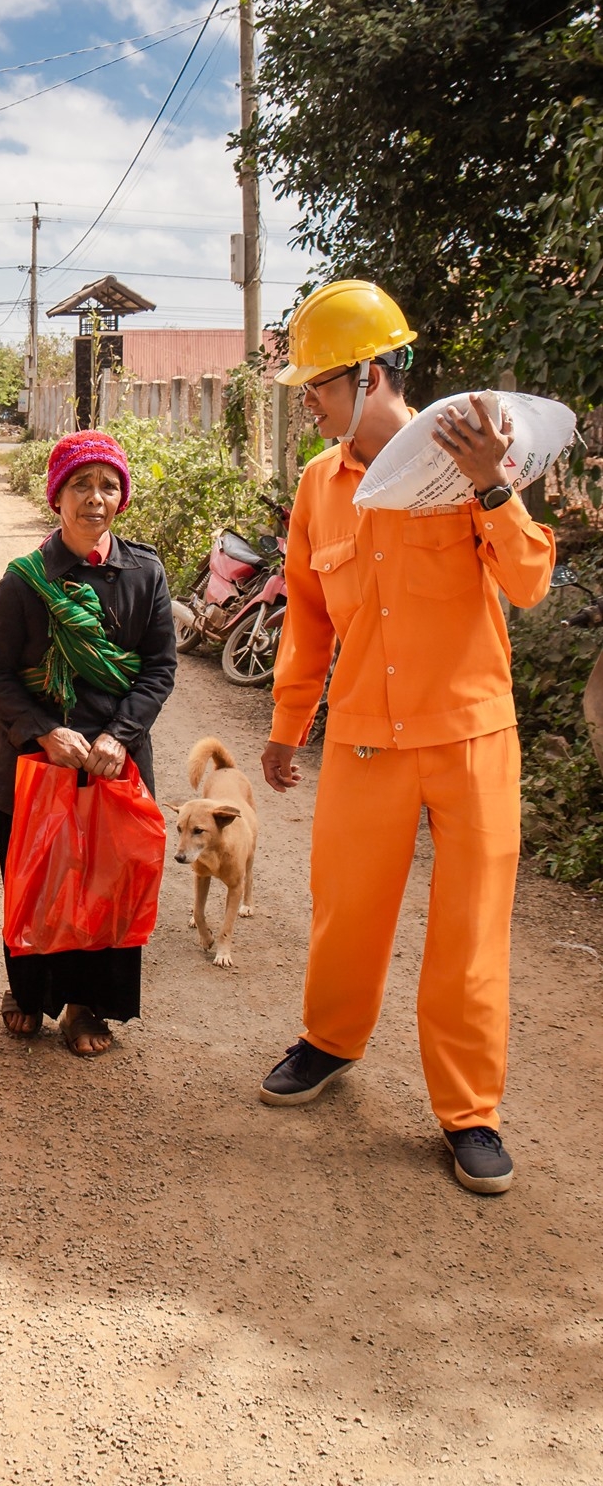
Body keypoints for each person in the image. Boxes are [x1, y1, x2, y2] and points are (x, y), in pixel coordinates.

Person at [259, 280, 554, 1196]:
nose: (307, 403)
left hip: (471, 735)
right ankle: (329, 1040)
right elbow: (309, 616)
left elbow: (529, 583)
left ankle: (469, 1112)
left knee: (470, 930)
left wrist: (494, 488)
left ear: (370, 375)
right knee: (345, 906)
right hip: (363, 738)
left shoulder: (467, 463)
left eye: (317, 385)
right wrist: (287, 725)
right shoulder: (319, 486)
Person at [0, 431, 177, 1055]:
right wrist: (42, 730)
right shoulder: (25, 581)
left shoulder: (145, 573)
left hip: (116, 758)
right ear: (57, 497)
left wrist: (120, 735)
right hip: (39, 757)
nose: (95, 498)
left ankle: (88, 1006)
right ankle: (30, 994)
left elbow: (158, 668)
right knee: (36, 878)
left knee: (109, 880)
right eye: (81, 485)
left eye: (108, 486)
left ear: (122, 498)